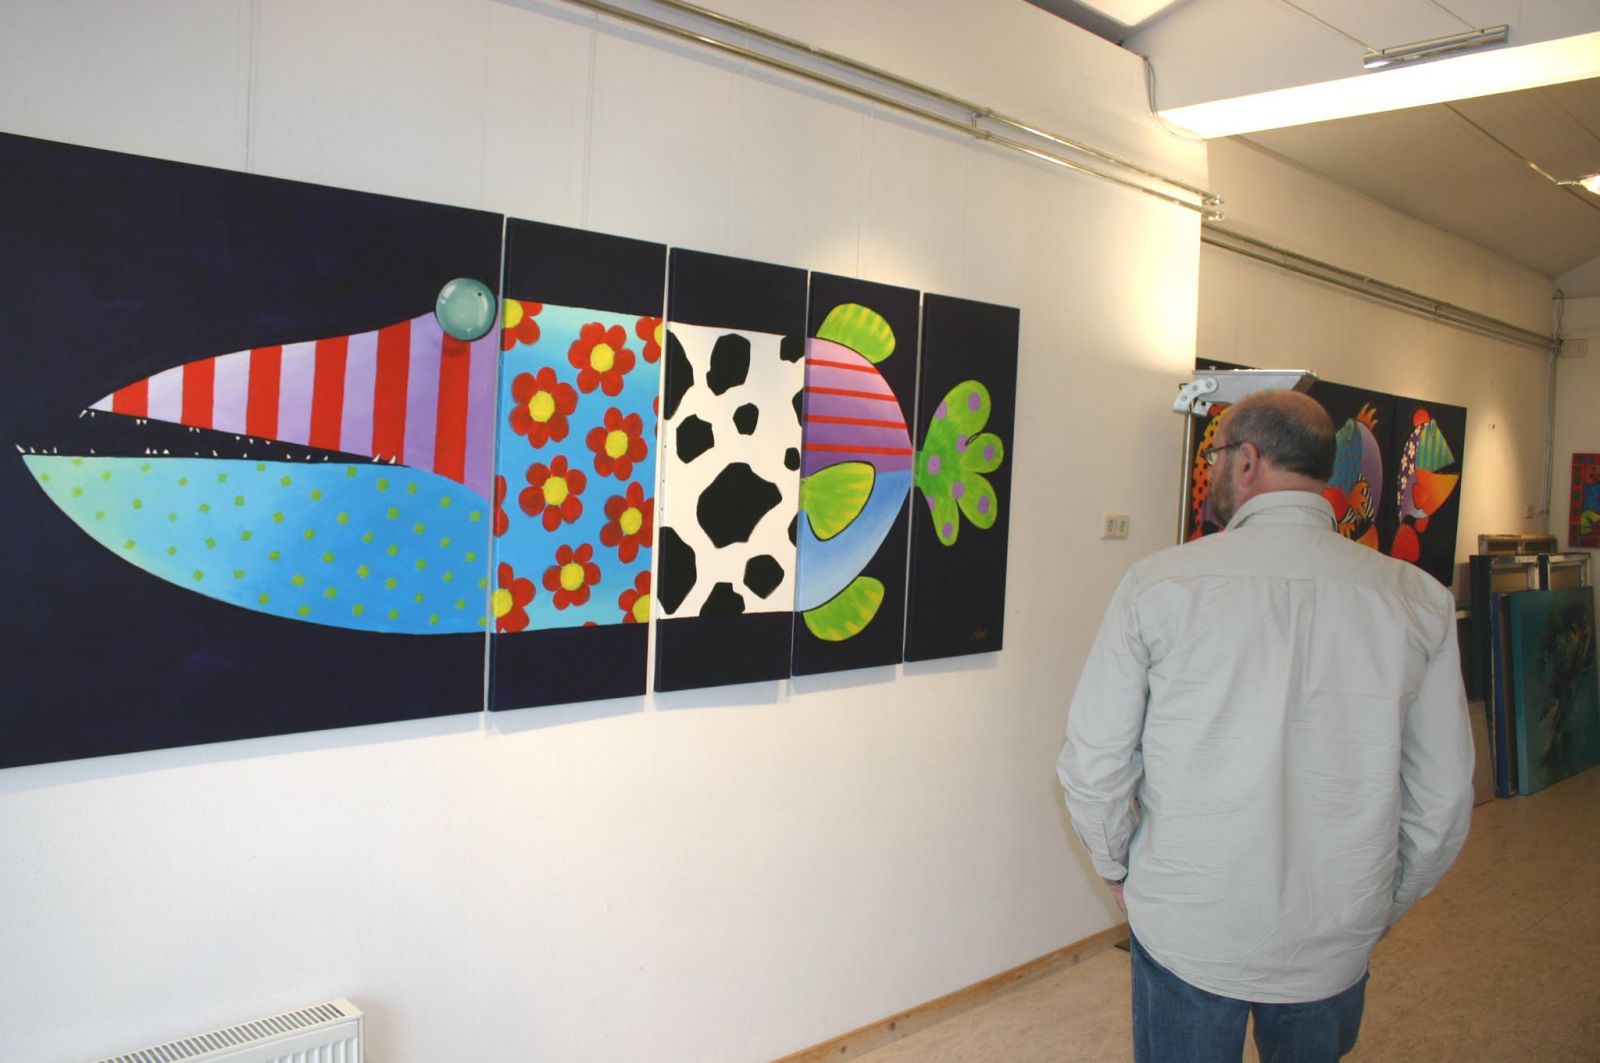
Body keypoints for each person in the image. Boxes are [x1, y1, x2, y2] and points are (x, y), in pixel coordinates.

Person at [1055, 389, 1474, 1063]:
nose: (1214, 469)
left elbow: (1095, 763)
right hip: (1333, 934)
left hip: (1191, 924)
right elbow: (1444, 798)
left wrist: (1117, 868)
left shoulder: (1160, 586)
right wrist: (1379, 903)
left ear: (1246, 461)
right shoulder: (1416, 600)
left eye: (1215, 455)